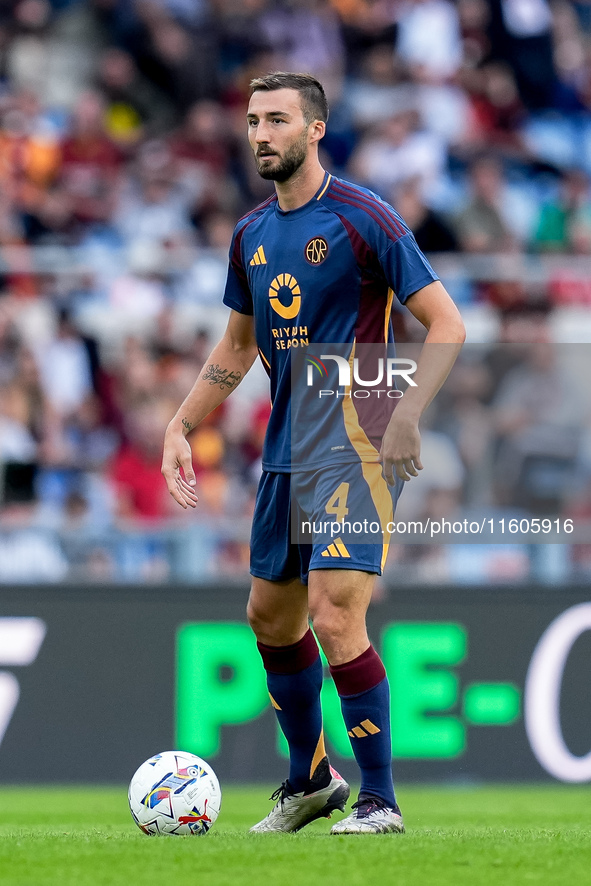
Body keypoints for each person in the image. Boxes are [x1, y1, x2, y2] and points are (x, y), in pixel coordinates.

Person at [161, 72, 465, 835]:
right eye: (254, 120)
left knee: (335, 612)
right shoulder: (251, 235)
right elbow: (235, 348)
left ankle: (380, 798)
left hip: (357, 442)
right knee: (270, 618)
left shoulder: (366, 218)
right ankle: (309, 781)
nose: (260, 133)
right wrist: (179, 424)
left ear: (315, 129)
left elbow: (447, 323)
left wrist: (406, 414)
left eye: (277, 120)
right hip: (287, 450)